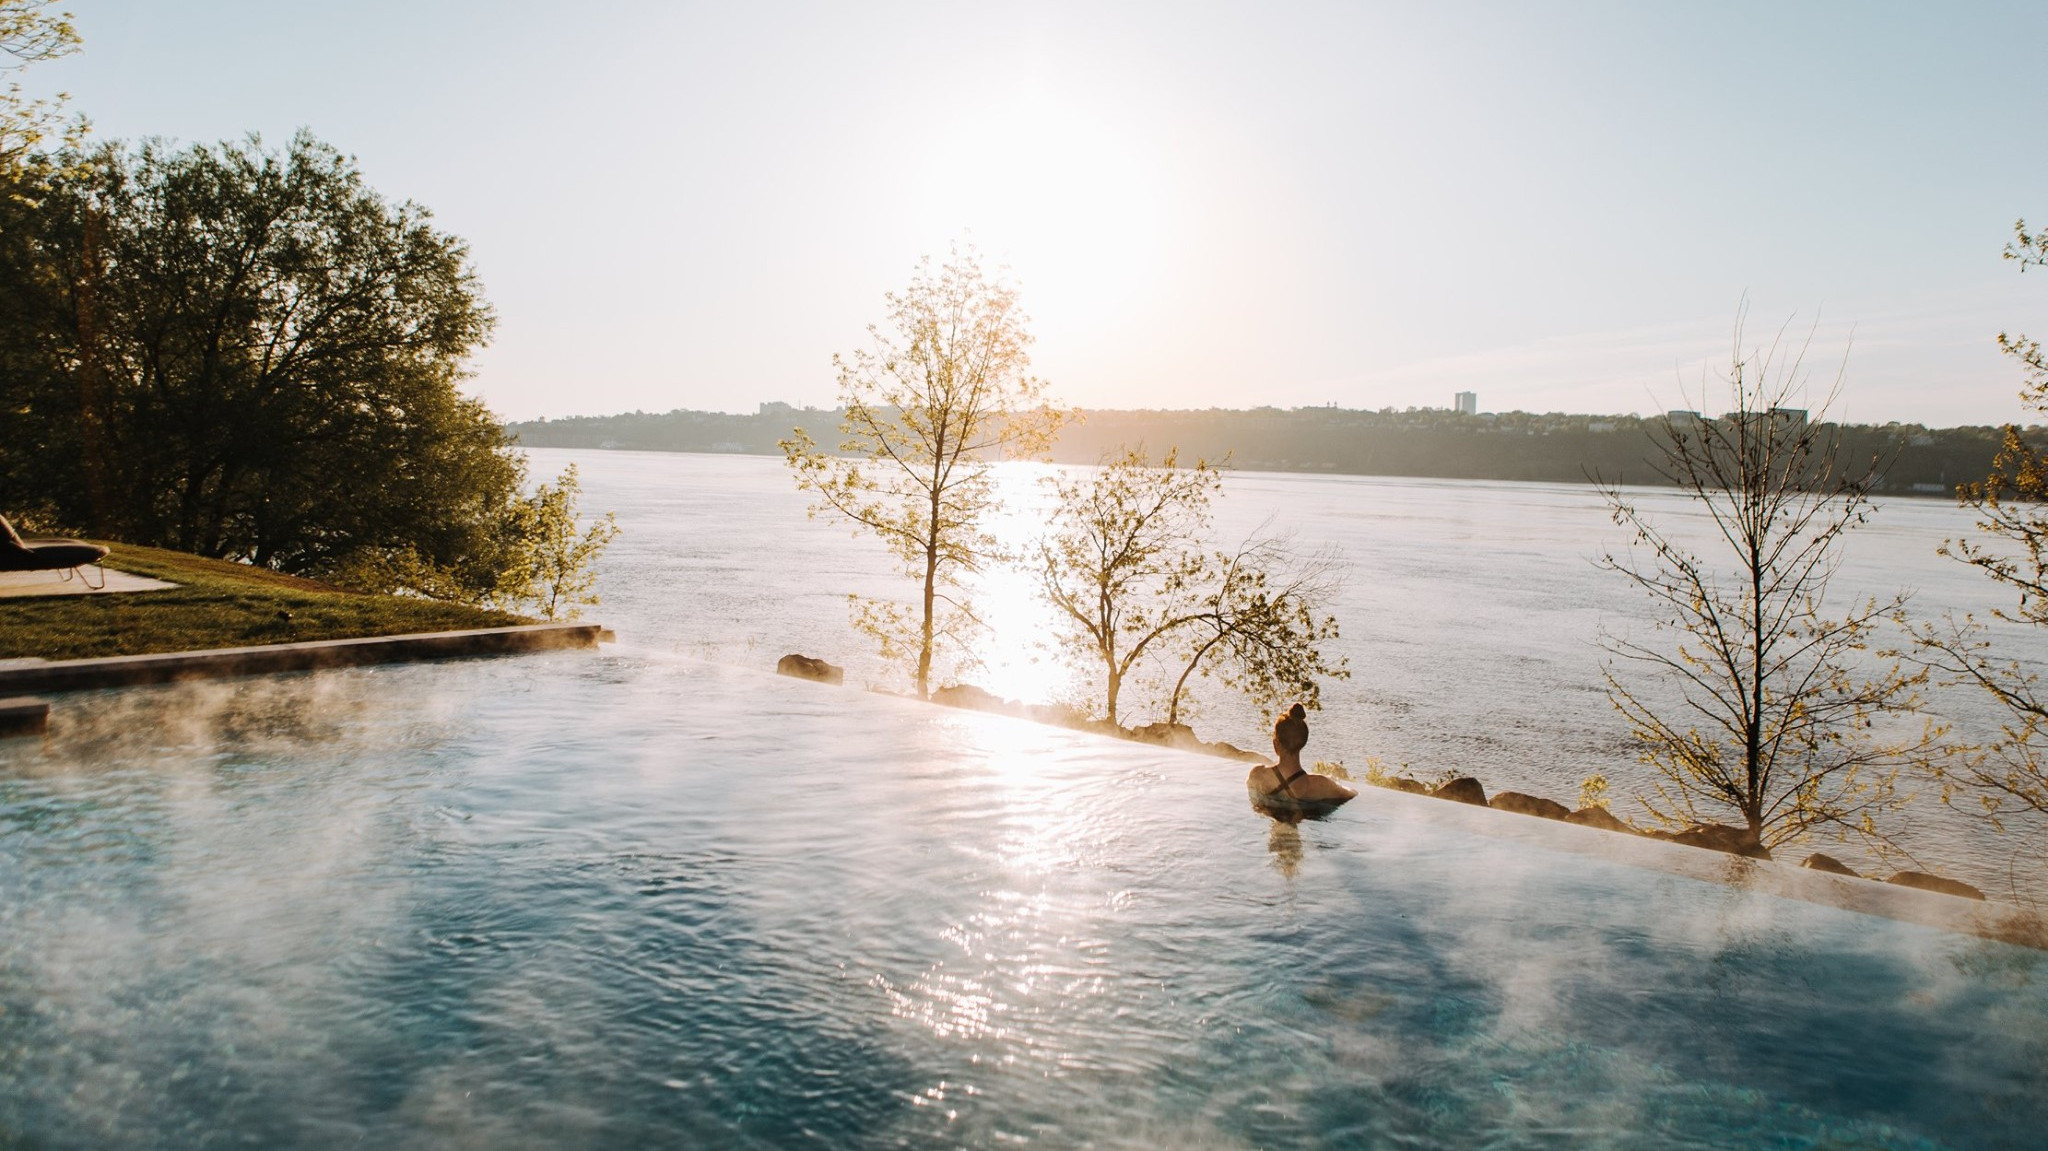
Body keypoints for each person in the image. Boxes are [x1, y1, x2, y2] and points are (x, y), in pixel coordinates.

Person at [1246, 703, 1356, 809]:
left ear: (1276, 743)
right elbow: (1353, 794)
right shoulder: (1320, 785)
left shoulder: (1257, 775)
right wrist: (1332, 782)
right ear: (1303, 742)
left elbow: (1256, 806)